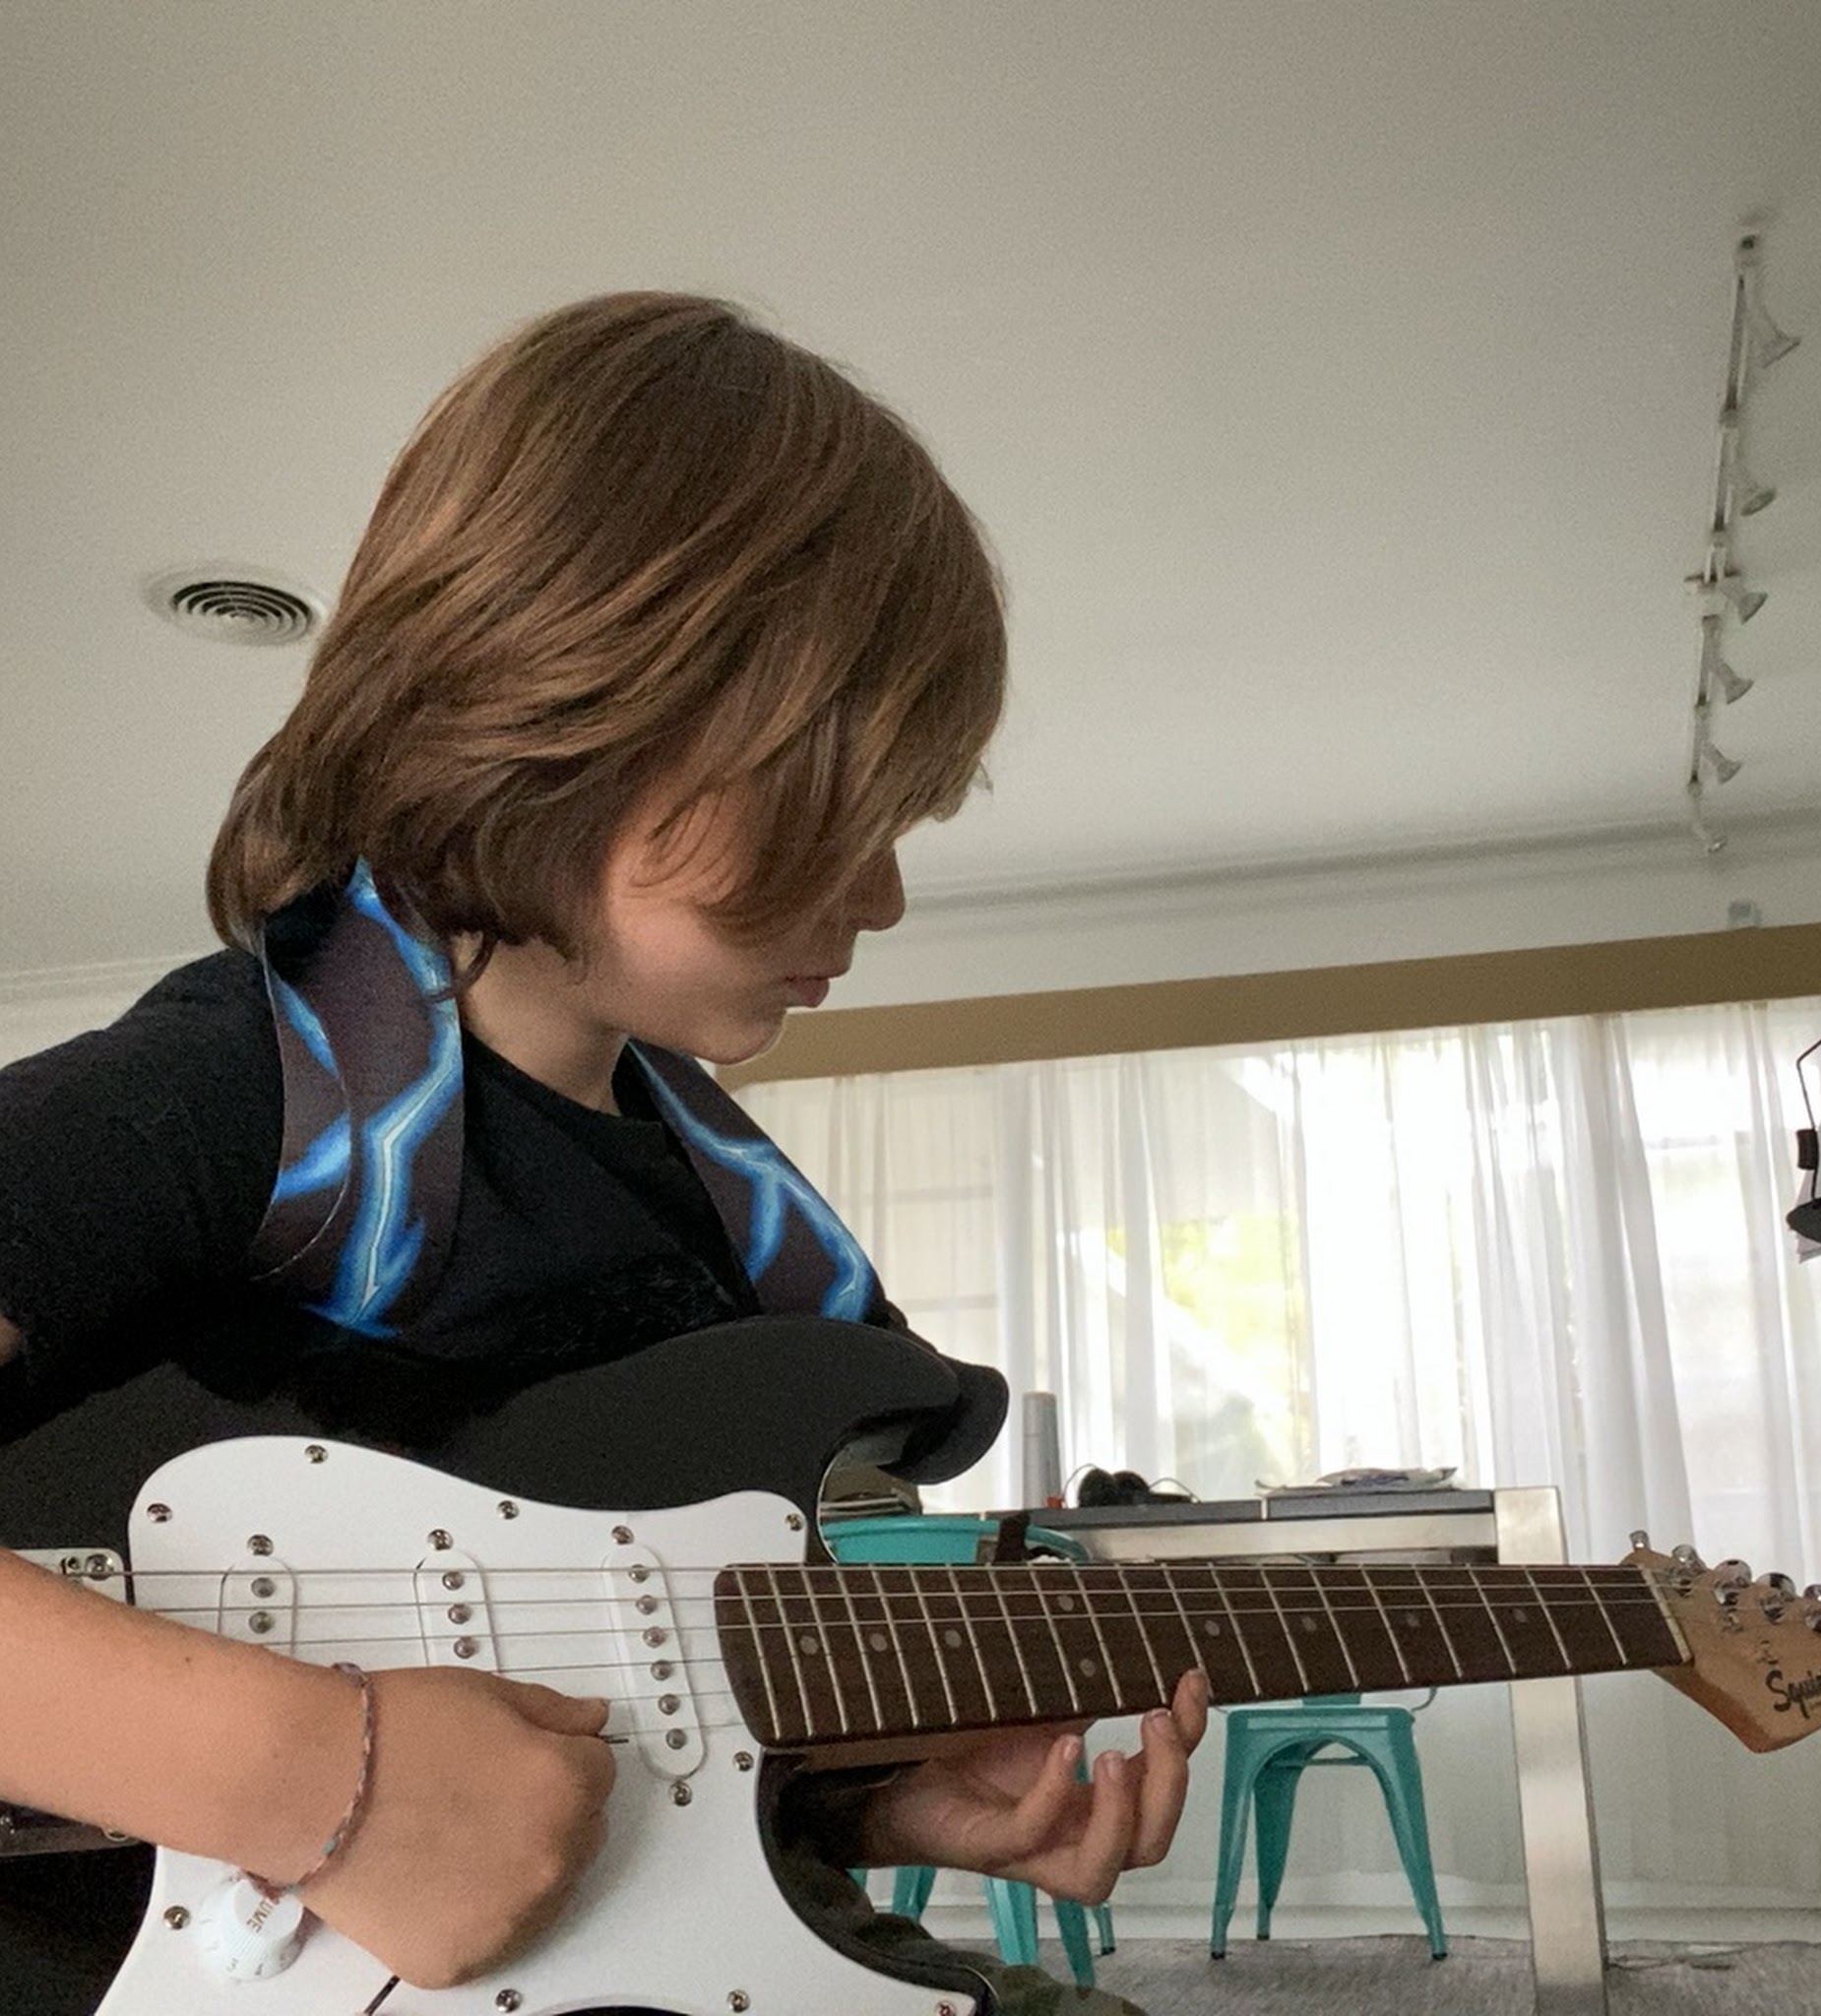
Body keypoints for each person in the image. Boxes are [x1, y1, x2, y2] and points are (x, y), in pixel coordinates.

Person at [0, 292, 1208, 2012]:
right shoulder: (245, 1091)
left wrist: (870, 1800)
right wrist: (311, 1780)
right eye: (840, 807)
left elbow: (625, 1708)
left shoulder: (754, 1241)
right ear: (571, 707)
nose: (882, 895)